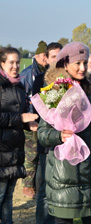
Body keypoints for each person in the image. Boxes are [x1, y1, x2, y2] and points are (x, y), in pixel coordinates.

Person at [37, 42, 91, 223]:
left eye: (85, 63)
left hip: (87, 172)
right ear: (65, 64)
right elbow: (43, 133)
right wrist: (59, 136)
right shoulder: (56, 89)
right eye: (78, 63)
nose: (83, 68)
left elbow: (90, 130)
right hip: (62, 175)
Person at [0, 47, 38, 224]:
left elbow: (20, 114)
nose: (15, 66)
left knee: (8, 199)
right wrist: (20, 118)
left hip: (15, 150)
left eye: (17, 62)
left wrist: (27, 123)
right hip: (1, 151)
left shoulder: (20, 87)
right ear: (2, 63)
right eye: (11, 63)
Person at [32, 42, 62, 224]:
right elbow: (40, 111)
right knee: (44, 189)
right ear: (46, 59)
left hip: (64, 143)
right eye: (53, 57)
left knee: (58, 189)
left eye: (60, 57)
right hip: (46, 143)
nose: (57, 60)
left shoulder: (70, 81)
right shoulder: (39, 80)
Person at [20, 40, 48, 199]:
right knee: (31, 155)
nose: (46, 58)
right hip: (31, 122)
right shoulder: (27, 75)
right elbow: (22, 99)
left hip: (44, 122)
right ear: (37, 55)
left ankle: (39, 186)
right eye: (44, 55)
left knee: (41, 156)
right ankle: (28, 186)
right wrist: (28, 120)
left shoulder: (49, 73)